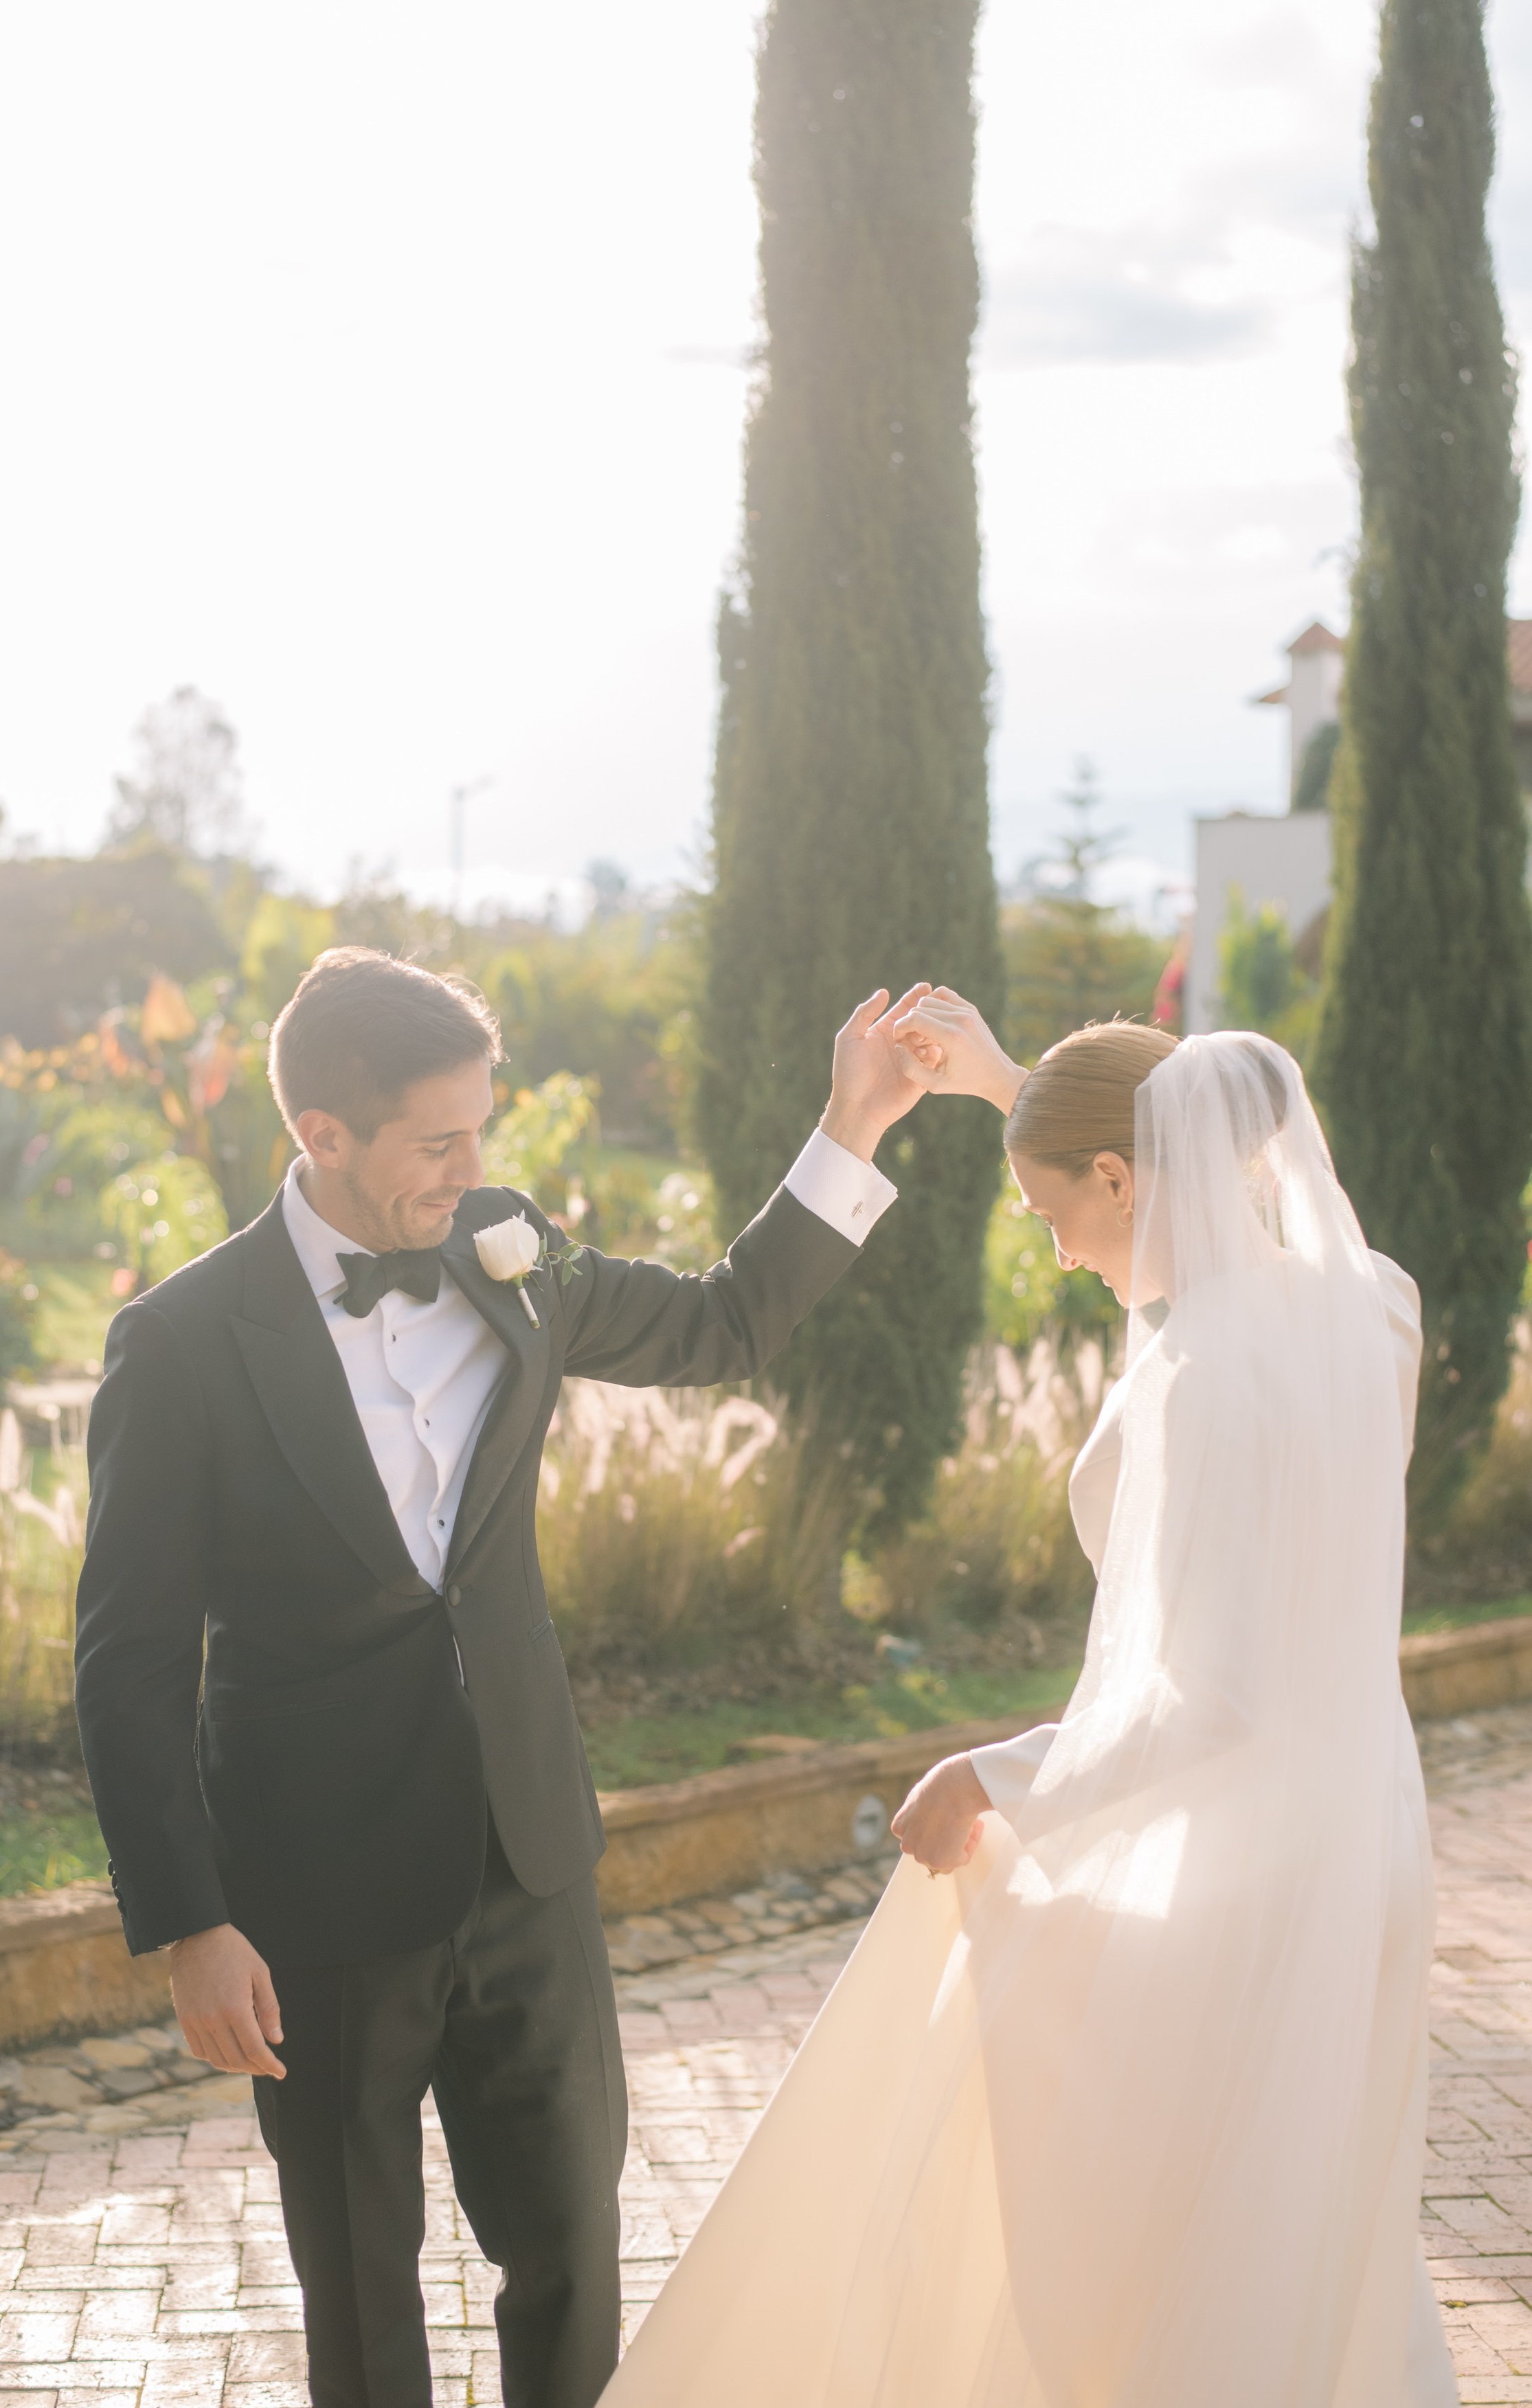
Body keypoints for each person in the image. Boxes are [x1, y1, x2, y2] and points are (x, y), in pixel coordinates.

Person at [74, 946, 936, 2408]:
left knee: (571, 2245)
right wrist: (189, 1923)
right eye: (438, 1141)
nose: (474, 1167)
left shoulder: (503, 1252)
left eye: (481, 1128)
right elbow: (129, 1659)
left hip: (527, 1857)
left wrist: (848, 1127)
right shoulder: (178, 1344)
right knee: (359, 2284)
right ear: (321, 1137)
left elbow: (719, 1321)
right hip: (317, 1890)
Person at [601, 997, 1457, 2408]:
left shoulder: (1194, 1377)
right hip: (1362, 1843)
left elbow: (1218, 1698)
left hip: (1239, 1868)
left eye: (1053, 1209)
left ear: (1123, 1180)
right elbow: (1185, 1173)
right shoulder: (1369, 1305)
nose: (1049, 1247)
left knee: (1165, 2242)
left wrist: (996, 1773)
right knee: (1320, 2232)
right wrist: (1025, 1091)